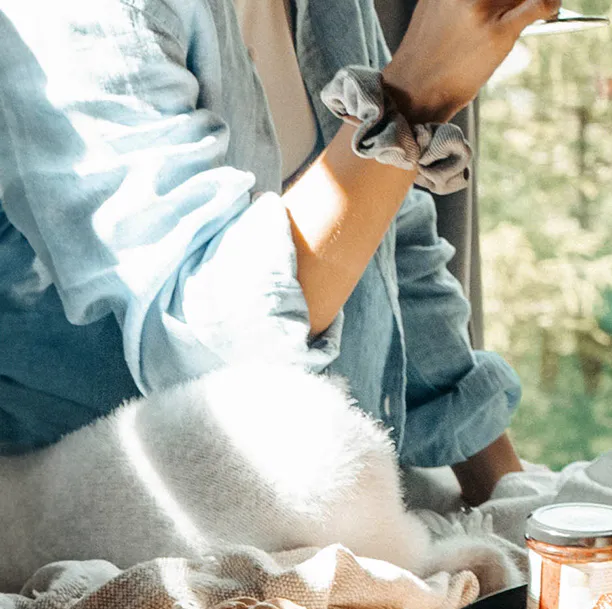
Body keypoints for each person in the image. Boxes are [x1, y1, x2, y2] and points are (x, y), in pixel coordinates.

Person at [0, 0, 556, 505]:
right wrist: (413, 94)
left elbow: (390, 242)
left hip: (327, 496)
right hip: (111, 520)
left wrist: (509, 497)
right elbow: (201, 347)